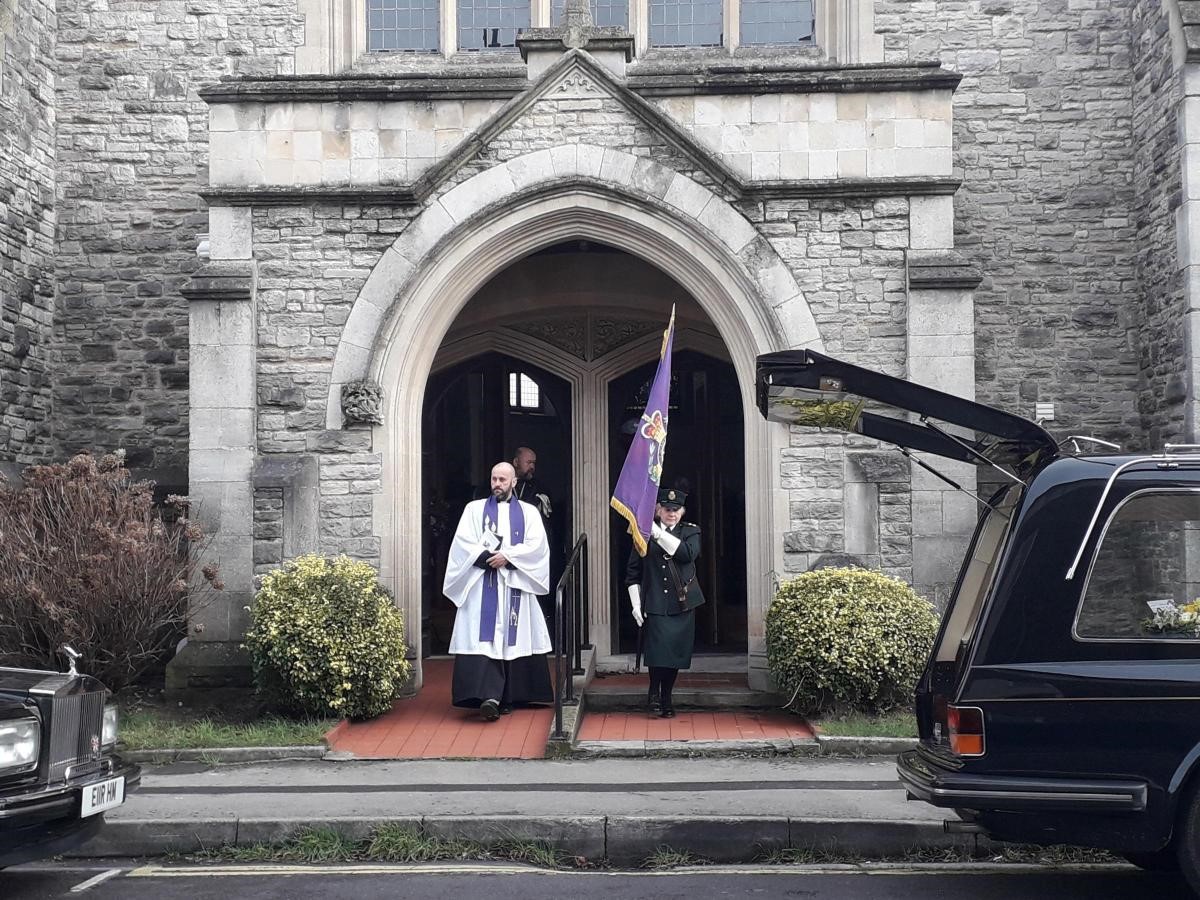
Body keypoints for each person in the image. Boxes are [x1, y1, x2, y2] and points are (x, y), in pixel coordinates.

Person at [443, 462, 554, 720]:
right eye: (494, 479)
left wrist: (508, 557)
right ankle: (487, 696)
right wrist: (488, 557)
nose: (497, 484)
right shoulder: (474, 509)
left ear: (514, 482)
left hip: (515, 584)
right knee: (487, 638)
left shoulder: (528, 512)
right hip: (483, 585)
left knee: (511, 637)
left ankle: (513, 695)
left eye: (503, 479)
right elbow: (462, 543)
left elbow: (537, 547)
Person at [625, 488, 706, 718]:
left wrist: (657, 534)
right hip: (656, 601)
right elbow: (632, 572)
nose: (672, 514)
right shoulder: (642, 533)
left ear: (682, 511)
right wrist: (635, 604)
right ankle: (654, 692)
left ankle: (667, 697)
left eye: (676, 510)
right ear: (658, 510)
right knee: (658, 653)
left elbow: (687, 554)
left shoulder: (690, 531)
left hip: (682, 602)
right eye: (667, 509)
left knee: (674, 655)